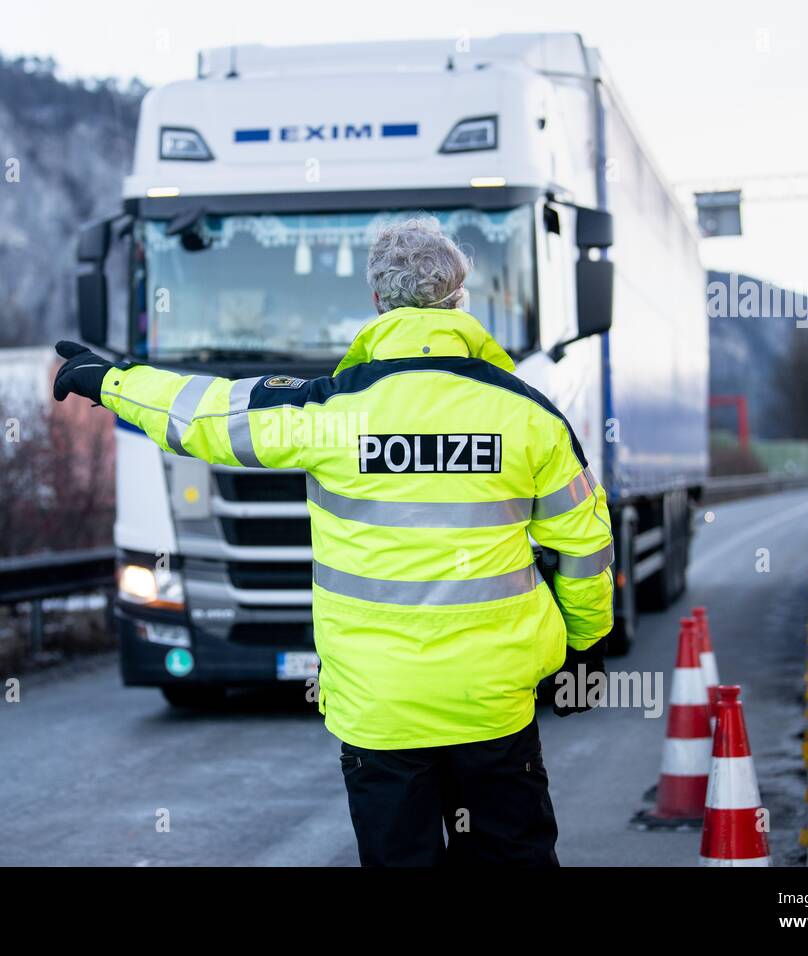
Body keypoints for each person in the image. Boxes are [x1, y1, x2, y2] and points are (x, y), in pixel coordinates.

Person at [53, 217, 614, 866]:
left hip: (379, 710)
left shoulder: (329, 411)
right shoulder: (529, 416)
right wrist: (584, 646)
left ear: (377, 303)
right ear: (462, 299)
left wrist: (111, 382)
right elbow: (584, 548)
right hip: (493, 706)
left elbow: (204, 415)